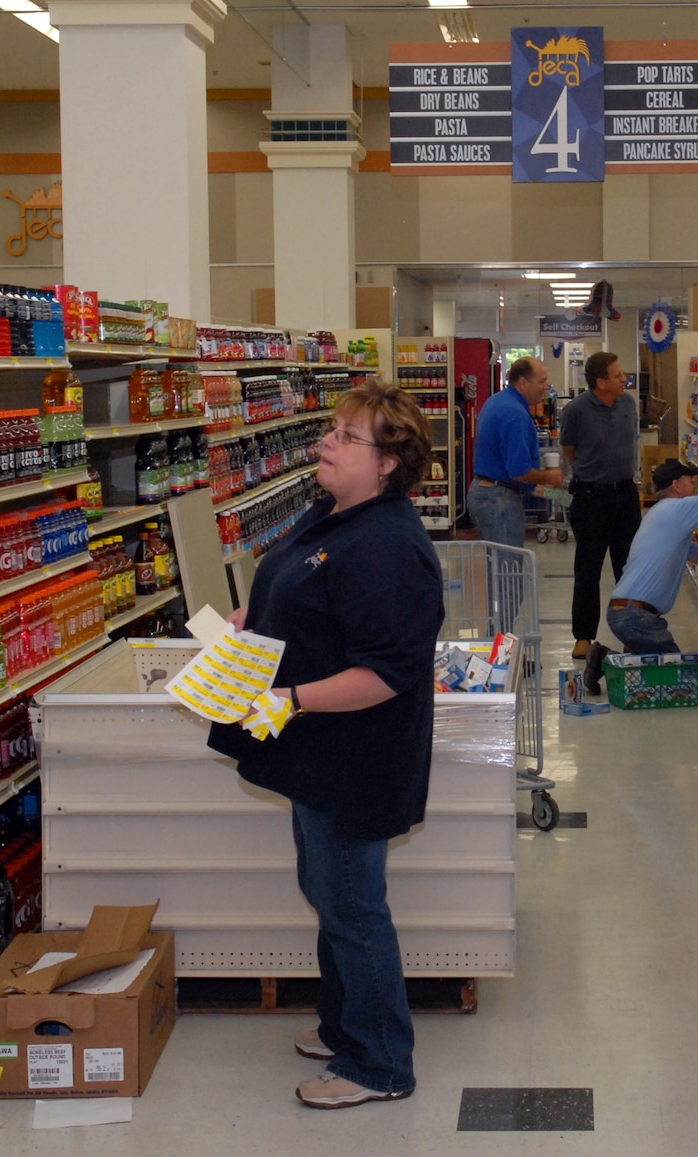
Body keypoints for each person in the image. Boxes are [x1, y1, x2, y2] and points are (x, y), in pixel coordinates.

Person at [208, 381, 445, 1110]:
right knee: (326, 888)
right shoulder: (335, 512)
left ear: (388, 463)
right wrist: (252, 616)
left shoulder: (389, 547)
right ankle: (346, 1023)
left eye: (346, 436)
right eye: (331, 429)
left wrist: (292, 697)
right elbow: (294, 584)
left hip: (355, 757)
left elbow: (385, 673)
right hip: (316, 753)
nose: (325, 443)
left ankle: (377, 1061)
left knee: (351, 903)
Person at [584, 459, 698, 690]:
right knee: (685, 685)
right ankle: (605, 660)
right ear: (677, 486)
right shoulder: (679, 509)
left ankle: (617, 659)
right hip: (636, 617)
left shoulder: (663, 517)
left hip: (626, 613)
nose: (695, 485)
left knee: (665, 673)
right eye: (691, 480)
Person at [560, 350, 642, 659]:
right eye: (618, 375)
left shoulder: (628, 404)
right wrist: (591, 472)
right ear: (600, 382)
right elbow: (569, 448)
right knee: (588, 568)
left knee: (629, 569)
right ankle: (583, 636)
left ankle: (632, 633)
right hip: (590, 498)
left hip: (625, 496)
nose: (624, 379)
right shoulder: (576, 411)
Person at [467, 356, 561, 547]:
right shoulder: (514, 413)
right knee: (507, 568)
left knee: (498, 567)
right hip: (499, 499)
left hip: (487, 491)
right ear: (523, 383)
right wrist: (549, 477)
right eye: (541, 381)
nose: (546, 387)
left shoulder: (498, 401)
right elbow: (519, 472)